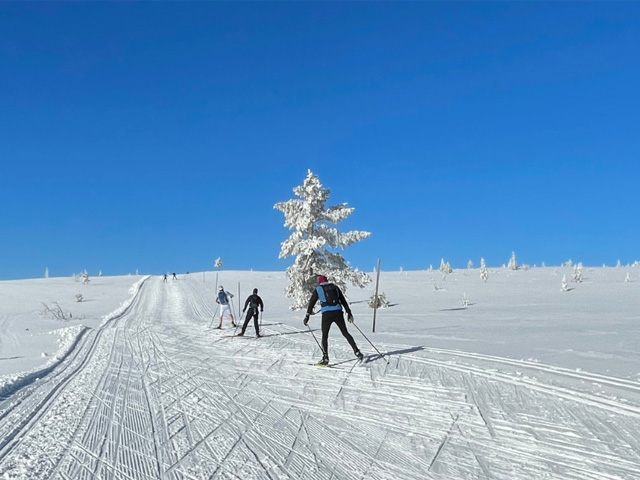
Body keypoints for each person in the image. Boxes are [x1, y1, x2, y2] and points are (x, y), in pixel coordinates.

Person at [304, 275, 363, 365]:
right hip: (338, 312)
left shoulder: (318, 289)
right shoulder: (335, 287)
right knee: (345, 332)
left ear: (319, 282)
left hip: (327, 314)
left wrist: (307, 315)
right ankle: (357, 351)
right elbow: (343, 301)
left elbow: (312, 302)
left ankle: (325, 357)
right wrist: (349, 313)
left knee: (325, 336)